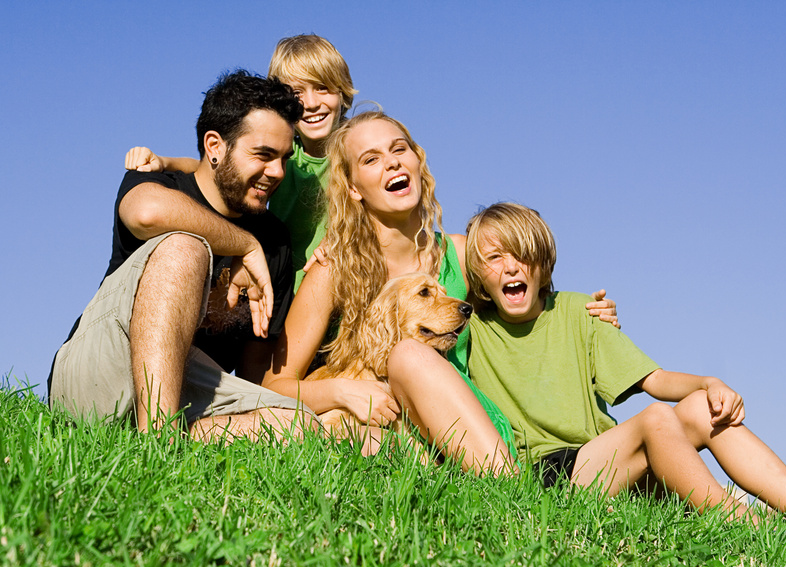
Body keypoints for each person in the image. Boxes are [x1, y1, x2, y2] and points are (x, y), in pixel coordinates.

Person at [260, 111, 618, 475]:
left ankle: (504, 483)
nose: (392, 162)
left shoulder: (460, 255)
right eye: (371, 159)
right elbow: (275, 386)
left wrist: (586, 313)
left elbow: (527, 295)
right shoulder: (334, 269)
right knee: (357, 437)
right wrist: (343, 392)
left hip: (473, 431)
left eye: (399, 149)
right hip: (388, 424)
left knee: (408, 357)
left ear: (417, 161)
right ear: (352, 188)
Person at [464, 202, 786, 531]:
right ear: (478, 273)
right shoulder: (470, 329)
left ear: (544, 264)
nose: (510, 268)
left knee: (703, 407)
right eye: (494, 258)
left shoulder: (580, 311)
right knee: (655, 418)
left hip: (608, 460)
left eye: (522, 255)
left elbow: (654, 379)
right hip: (549, 476)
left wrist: (709, 382)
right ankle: (738, 521)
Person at [50, 70, 317, 443]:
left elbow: (253, 375)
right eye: (263, 155)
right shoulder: (158, 183)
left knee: (300, 426)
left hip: (192, 391)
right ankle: (157, 441)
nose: (277, 172)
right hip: (102, 367)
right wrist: (244, 244)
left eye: (284, 158)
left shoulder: (274, 241)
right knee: (186, 247)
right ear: (215, 146)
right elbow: (146, 213)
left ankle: (159, 435)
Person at [124, 35, 356, 291]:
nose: (311, 104)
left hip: (339, 281)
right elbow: (217, 169)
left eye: (322, 87)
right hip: (288, 287)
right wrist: (165, 162)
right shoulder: (286, 154)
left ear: (342, 91)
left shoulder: (358, 152)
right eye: (297, 93)